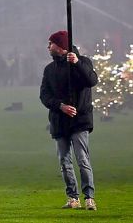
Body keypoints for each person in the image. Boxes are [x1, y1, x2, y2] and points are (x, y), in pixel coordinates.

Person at [39, 30, 98, 211]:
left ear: (61, 46)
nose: (48, 47)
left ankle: (89, 198)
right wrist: (60, 106)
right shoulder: (49, 69)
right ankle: (73, 197)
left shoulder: (83, 62)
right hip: (59, 121)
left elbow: (91, 80)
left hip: (79, 120)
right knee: (64, 162)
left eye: (51, 43)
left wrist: (77, 63)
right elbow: (44, 96)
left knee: (82, 160)